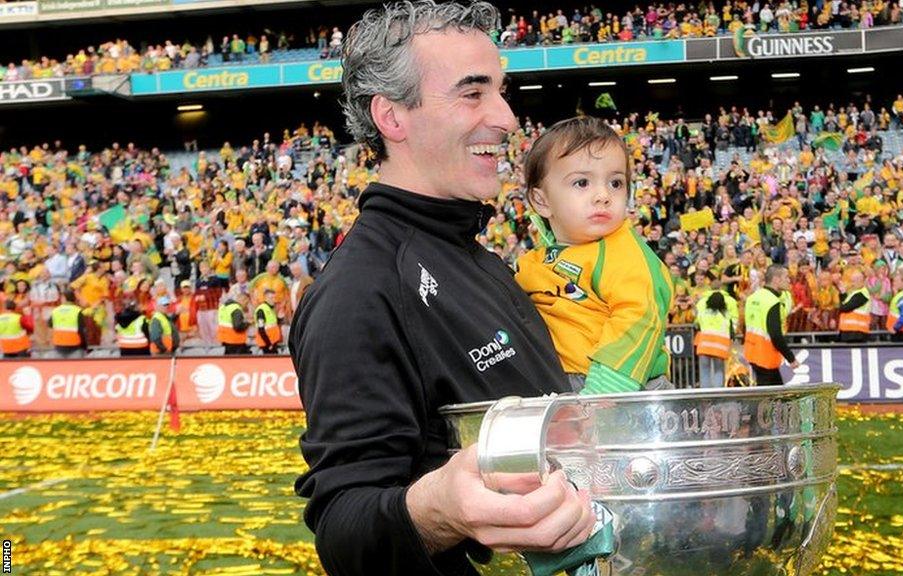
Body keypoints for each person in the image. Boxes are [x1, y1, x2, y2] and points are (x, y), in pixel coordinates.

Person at [290, 3, 593, 575]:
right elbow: (344, 533)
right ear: (392, 117)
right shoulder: (359, 290)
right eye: (473, 93)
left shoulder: (479, 258)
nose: (506, 117)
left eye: (502, 91)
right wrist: (440, 509)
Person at [514, 116, 673, 394]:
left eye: (615, 183)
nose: (603, 195)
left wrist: (603, 392)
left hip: (620, 386)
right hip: (560, 383)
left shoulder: (624, 253)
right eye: (582, 183)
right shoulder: (533, 262)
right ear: (541, 200)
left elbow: (639, 319)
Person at [743, 264, 799, 386]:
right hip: (765, 354)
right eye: (786, 277)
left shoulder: (753, 297)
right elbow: (776, 335)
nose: (788, 280)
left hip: (752, 351)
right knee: (772, 398)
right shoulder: (773, 302)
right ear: (776, 279)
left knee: (772, 394)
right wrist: (791, 359)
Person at [695, 291, 732, 387]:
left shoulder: (703, 313)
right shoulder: (726, 316)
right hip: (719, 348)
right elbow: (731, 330)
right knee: (718, 371)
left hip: (704, 347)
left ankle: (705, 393)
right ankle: (718, 393)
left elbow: (696, 322)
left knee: (704, 371)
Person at [49, 288, 88, 358]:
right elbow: (82, 331)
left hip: (59, 345)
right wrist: (85, 346)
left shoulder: (55, 311)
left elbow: (50, 324)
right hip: (75, 345)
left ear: (64, 298)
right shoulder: (77, 311)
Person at [836, 269, 871, 343]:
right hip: (849, 331)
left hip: (857, 332)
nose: (853, 283)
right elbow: (844, 304)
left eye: (856, 280)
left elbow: (845, 308)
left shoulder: (862, 294)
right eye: (852, 280)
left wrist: (838, 307)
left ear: (863, 281)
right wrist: (843, 292)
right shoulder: (853, 292)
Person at [218, 287, 251, 355]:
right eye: (246, 302)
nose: (246, 305)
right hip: (235, 340)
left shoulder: (224, 307)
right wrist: (248, 323)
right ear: (243, 300)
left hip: (225, 339)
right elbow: (238, 326)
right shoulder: (236, 309)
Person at [254, 288, 282, 354]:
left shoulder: (270, 309)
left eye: (274, 297)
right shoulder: (261, 310)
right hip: (266, 343)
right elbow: (261, 329)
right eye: (271, 298)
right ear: (265, 298)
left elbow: (273, 323)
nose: (273, 300)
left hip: (273, 341)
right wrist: (269, 344)